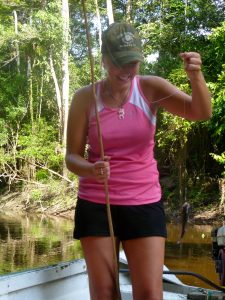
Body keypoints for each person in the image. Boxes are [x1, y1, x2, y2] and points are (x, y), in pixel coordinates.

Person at [65, 22, 211, 300]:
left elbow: (200, 112)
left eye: (133, 63)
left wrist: (196, 76)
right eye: (120, 63)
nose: (127, 71)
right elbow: (71, 157)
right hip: (97, 203)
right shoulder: (84, 98)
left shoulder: (150, 88)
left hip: (143, 202)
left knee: (149, 293)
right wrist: (91, 170)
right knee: (105, 292)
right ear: (105, 59)